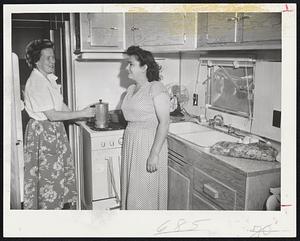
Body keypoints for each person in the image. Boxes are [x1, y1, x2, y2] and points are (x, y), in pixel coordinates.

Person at [23, 39, 95, 209]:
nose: (52, 61)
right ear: (36, 61)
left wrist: (80, 119)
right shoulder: (36, 82)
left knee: (57, 179)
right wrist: (82, 113)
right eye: (47, 58)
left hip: (53, 133)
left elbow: (60, 106)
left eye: (53, 57)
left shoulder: (48, 79)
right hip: (44, 135)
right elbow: (53, 115)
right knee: (48, 182)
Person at [120, 46, 170, 210]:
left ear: (144, 67)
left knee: (144, 193)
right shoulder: (131, 89)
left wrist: (154, 154)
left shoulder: (156, 87)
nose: (127, 68)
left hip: (148, 144)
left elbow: (164, 122)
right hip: (132, 143)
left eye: (131, 64)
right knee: (133, 190)